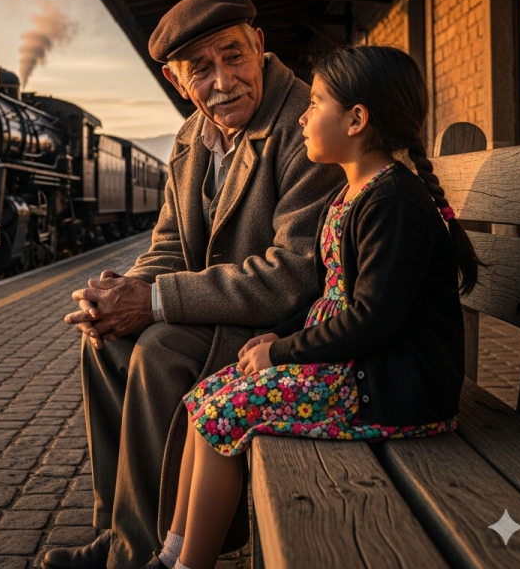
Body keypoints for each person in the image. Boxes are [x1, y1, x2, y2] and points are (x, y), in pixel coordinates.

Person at [145, 44, 480, 569]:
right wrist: (277, 337)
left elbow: (370, 319)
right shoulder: (352, 195)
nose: (302, 115)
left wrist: (283, 355)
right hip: (357, 371)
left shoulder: (393, 204)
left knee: (219, 416)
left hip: (395, 390)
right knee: (202, 397)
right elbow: (332, 295)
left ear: (356, 120)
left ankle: (190, 566)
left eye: (316, 102)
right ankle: (170, 554)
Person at [45, 0, 344, 569]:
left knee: (158, 348)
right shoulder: (190, 139)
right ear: (177, 81)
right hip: (222, 314)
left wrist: (154, 302)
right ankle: (120, 529)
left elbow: (295, 275)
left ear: (259, 46)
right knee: (104, 342)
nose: (223, 81)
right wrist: (118, 295)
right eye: (200, 70)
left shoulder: (307, 125)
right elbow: (167, 246)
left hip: (282, 328)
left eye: (233, 56)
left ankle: (138, 554)